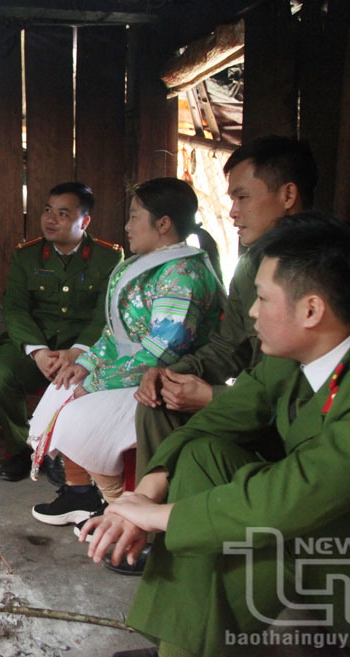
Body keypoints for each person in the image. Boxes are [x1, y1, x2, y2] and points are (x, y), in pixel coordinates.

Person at [82, 213, 350, 657]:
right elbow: (218, 420)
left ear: (311, 310)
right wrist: (145, 491)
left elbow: (294, 496)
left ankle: (187, 645)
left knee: (280, 517)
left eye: (261, 297)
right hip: (330, 531)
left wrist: (158, 518)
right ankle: (185, 646)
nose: (251, 312)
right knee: (202, 454)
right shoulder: (300, 350)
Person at [28, 178, 224, 526]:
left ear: (163, 224)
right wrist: (86, 364)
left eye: (135, 217)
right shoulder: (148, 262)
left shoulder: (183, 275)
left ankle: (121, 510)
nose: (127, 225)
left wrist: (97, 381)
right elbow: (114, 330)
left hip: (162, 383)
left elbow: (161, 353)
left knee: (78, 414)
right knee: (61, 389)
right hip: (128, 372)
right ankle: (82, 495)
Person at [133, 136, 317, 479]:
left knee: (200, 451)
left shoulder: (317, 266)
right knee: (155, 402)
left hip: (290, 420)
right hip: (252, 400)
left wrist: (213, 397)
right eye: (231, 198)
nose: (232, 211)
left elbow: (285, 385)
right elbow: (227, 345)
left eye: (243, 197)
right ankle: (152, 519)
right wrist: (174, 373)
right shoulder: (250, 265)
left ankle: (170, 519)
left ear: (288, 196)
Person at [0, 182, 123, 483]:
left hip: (84, 350)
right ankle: (24, 449)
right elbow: (15, 309)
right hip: (35, 347)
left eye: (62, 213)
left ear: (84, 222)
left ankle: (64, 454)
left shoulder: (108, 259)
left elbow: (105, 315)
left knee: (91, 383)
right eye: (48, 210)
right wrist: (37, 351)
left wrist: (78, 352)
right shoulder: (27, 255)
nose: (50, 219)